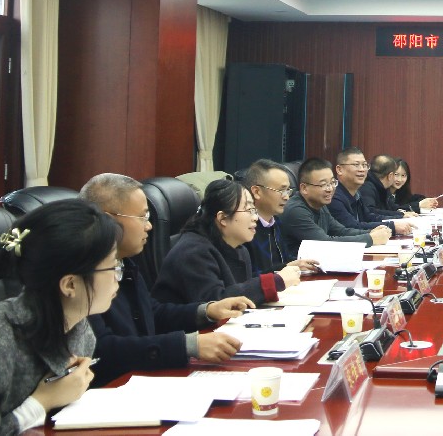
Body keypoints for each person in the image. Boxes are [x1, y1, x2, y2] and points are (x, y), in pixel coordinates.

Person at [81, 173, 252, 387]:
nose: (149, 226)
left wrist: (207, 310)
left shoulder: (124, 262)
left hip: (141, 377)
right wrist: (187, 345)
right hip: (109, 389)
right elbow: (102, 349)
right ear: (108, 219)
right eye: (142, 217)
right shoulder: (81, 275)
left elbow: (152, 313)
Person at [0, 200, 120, 434]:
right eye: (113, 266)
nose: (118, 276)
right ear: (70, 285)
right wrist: (42, 402)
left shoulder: (79, 327)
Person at [152, 179, 301, 305]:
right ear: (222, 218)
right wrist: (275, 282)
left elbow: (242, 290)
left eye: (254, 210)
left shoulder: (238, 248)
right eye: (248, 210)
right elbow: (216, 304)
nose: (255, 218)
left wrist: (281, 271)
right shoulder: (193, 252)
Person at [277, 157, 392, 260]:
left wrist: (372, 232)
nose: (330, 189)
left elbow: (341, 231)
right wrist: (370, 238)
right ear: (304, 188)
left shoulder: (320, 203)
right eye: (323, 184)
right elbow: (325, 243)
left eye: (332, 182)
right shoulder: (296, 210)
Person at [243, 159, 320, 276]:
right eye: (281, 190)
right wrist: (285, 268)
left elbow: (285, 261)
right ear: (257, 191)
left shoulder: (276, 222)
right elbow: (244, 279)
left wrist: (300, 264)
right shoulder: (244, 228)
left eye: (288, 190)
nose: (286, 197)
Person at [330, 147, 413, 236]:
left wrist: (399, 219)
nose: (362, 169)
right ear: (339, 169)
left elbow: (369, 217)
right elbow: (352, 226)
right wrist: (392, 226)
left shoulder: (356, 194)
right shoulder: (333, 196)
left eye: (364, 165)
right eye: (356, 165)